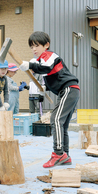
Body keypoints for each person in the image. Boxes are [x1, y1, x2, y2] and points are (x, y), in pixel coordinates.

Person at [19, 31, 80, 168]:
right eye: (31, 47)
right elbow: (49, 75)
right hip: (70, 90)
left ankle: (58, 154)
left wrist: (30, 65)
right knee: (62, 124)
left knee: (56, 119)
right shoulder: (42, 62)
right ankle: (65, 155)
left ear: (46, 45)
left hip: (69, 89)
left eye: (36, 45)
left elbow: (47, 67)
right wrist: (43, 88)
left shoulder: (49, 55)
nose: (34, 49)